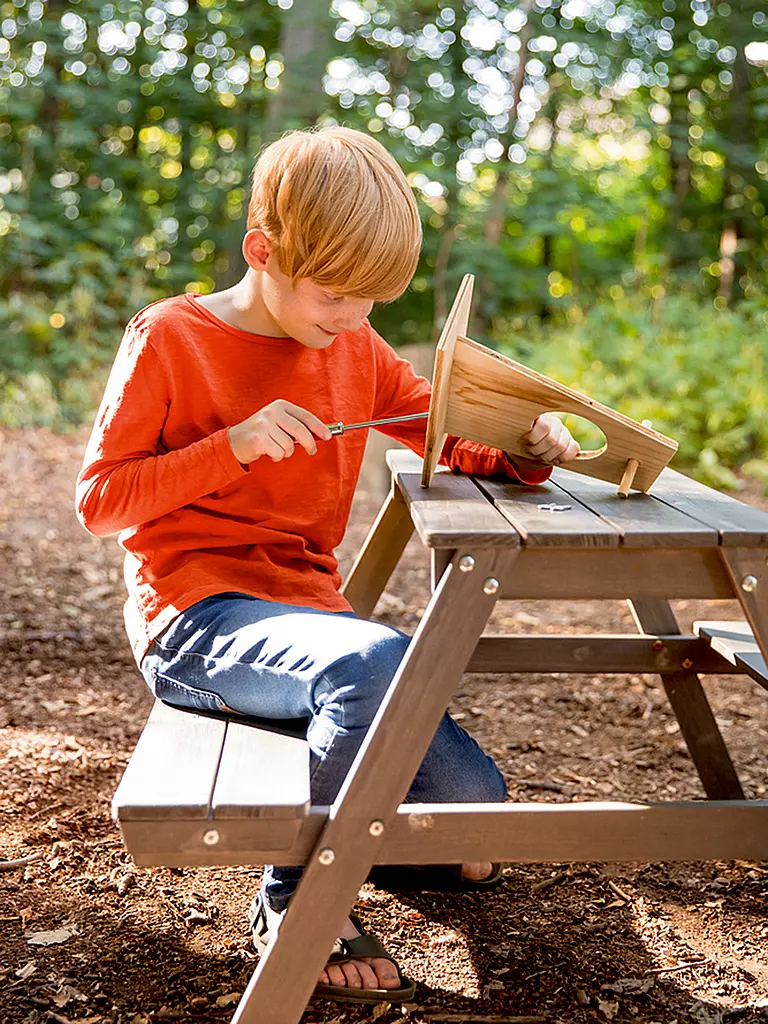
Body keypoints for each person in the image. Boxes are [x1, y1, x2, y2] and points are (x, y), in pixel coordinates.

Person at [76, 125, 579, 1005]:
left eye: (373, 303)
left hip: (309, 624)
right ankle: (299, 895)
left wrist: (530, 448)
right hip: (196, 617)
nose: (352, 321)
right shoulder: (171, 338)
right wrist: (226, 446)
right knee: (378, 664)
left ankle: (333, 795)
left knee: (475, 810)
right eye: (336, 296)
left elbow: (443, 429)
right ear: (263, 251)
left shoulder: (355, 350)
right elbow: (100, 503)